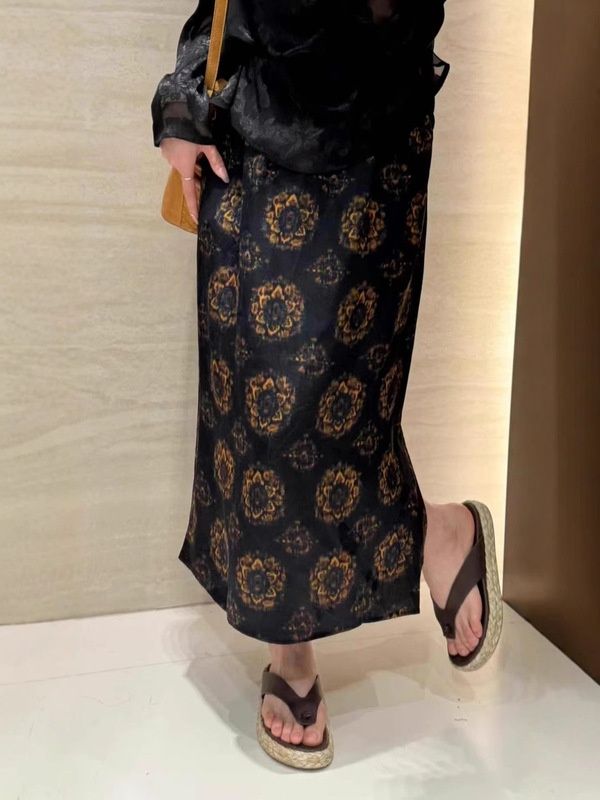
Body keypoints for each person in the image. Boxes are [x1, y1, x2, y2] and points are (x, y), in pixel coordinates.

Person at [151, 0, 503, 771]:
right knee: (262, 410)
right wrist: (184, 99)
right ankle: (309, 633)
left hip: (379, 128)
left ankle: (435, 537)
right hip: (255, 122)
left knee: (349, 400)